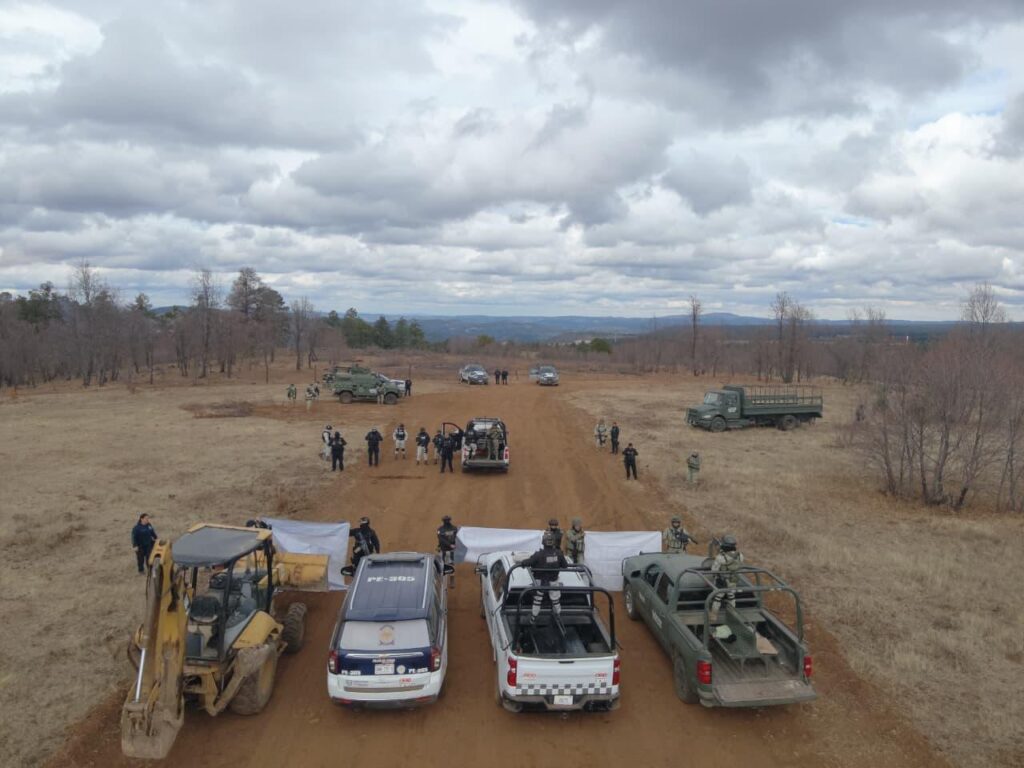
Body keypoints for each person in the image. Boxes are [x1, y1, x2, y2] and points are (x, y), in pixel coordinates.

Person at [519, 532, 568, 623]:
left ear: (543, 542)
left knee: (537, 600)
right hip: (553, 582)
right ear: (553, 542)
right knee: (555, 600)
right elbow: (565, 566)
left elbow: (527, 562)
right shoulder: (559, 554)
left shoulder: (538, 555)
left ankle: (533, 618)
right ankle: (558, 615)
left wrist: (522, 563)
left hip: (539, 582)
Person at [710, 535, 744, 614]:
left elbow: (714, 570)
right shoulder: (740, 555)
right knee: (731, 596)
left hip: (722, 582)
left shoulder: (720, 557)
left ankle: (714, 614)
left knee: (717, 598)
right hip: (733, 581)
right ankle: (732, 612)